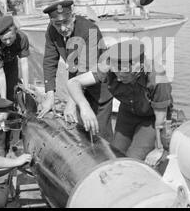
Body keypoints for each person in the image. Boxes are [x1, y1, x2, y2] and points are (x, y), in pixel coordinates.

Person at [67, 39, 173, 167]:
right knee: (113, 155)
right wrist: (85, 107)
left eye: (123, 76)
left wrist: (159, 148)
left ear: (137, 70)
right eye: (115, 73)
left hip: (151, 118)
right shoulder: (108, 65)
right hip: (127, 111)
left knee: (133, 160)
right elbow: (73, 82)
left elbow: (161, 117)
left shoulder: (158, 77)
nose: (117, 78)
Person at [37, 0, 114, 142]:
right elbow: (49, 61)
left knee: (101, 135)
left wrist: (71, 103)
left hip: (98, 86)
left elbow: (85, 70)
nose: (63, 28)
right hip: (75, 83)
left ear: (72, 17)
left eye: (66, 22)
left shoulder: (90, 30)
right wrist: (49, 96)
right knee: (81, 133)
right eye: (58, 24)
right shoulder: (52, 30)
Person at [0, 16, 30, 156]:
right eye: (4, 40)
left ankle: (13, 138)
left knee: (13, 97)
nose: (8, 42)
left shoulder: (23, 38)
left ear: (15, 32)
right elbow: (0, 74)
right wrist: (3, 102)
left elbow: (24, 63)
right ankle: (0, 146)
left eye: (10, 38)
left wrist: (26, 88)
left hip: (11, 64)